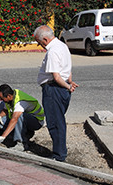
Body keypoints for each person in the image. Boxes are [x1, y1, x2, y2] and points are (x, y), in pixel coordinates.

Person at [34, 25, 79, 161]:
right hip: (61, 89)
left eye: (39, 42)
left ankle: (59, 156)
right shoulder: (62, 46)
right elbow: (67, 68)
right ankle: (60, 151)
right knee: (59, 120)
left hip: (54, 90)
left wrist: (67, 86)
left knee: (55, 122)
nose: (39, 45)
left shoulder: (53, 51)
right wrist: (70, 81)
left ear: (45, 39)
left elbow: (57, 77)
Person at [0, 84, 45, 151]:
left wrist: (2, 137)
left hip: (36, 121)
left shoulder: (20, 102)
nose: (0, 100)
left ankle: (21, 143)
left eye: (2, 98)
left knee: (18, 117)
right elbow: (6, 110)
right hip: (26, 119)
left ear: (8, 96)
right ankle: (25, 134)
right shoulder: (10, 98)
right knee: (2, 121)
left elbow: (15, 119)